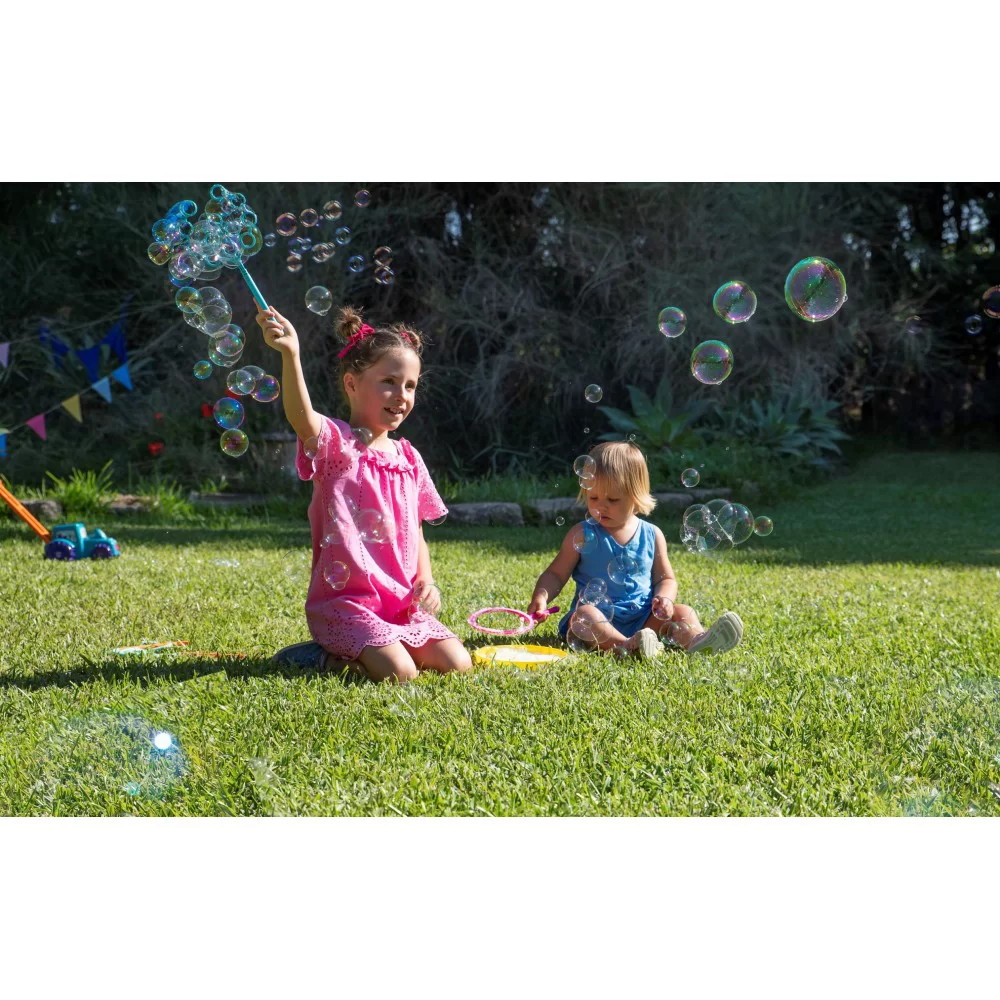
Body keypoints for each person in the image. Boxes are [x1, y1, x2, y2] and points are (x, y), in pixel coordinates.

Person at [258, 302, 472, 683]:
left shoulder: (408, 458)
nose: (401, 395)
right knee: (400, 673)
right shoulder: (337, 447)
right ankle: (317, 657)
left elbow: (416, 531)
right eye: (389, 381)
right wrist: (291, 354)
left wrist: (426, 582)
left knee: (458, 663)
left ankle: (384, 646)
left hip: (399, 605)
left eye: (410, 386)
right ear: (352, 384)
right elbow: (301, 417)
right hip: (348, 605)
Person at [526, 441, 743, 658]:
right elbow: (556, 574)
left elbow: (666, 579)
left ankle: (699, 641)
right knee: (583, 616)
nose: (601, 506)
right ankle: (628, 645)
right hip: (599, 619)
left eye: (612, 499)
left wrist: (665, 599)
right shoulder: (582, 534)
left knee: (682, 611)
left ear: (635, 496)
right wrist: (541, 597)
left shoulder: (652, 535)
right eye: (593, 498)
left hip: (644, 619)